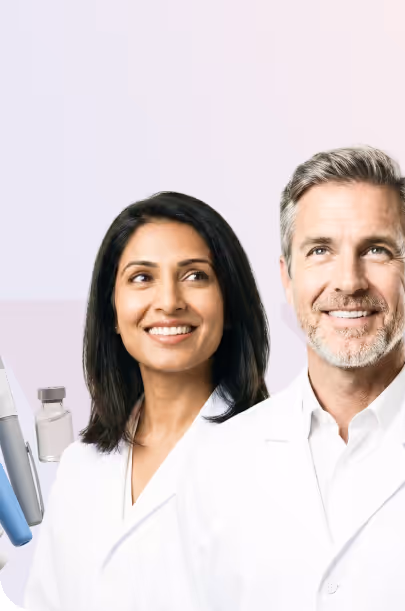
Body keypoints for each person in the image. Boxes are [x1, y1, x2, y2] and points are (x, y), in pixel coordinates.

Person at [177, 146, 405, 611]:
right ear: (288, 279)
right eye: (320, 250)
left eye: (376, 250)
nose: (348, 281)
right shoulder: (218, 460)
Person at [23, 191, 269, 611]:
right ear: (112, 312)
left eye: (195, 275)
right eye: (141, 277)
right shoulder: (80, 467)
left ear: (229, 305)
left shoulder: (276, 459)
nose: (169, 301)